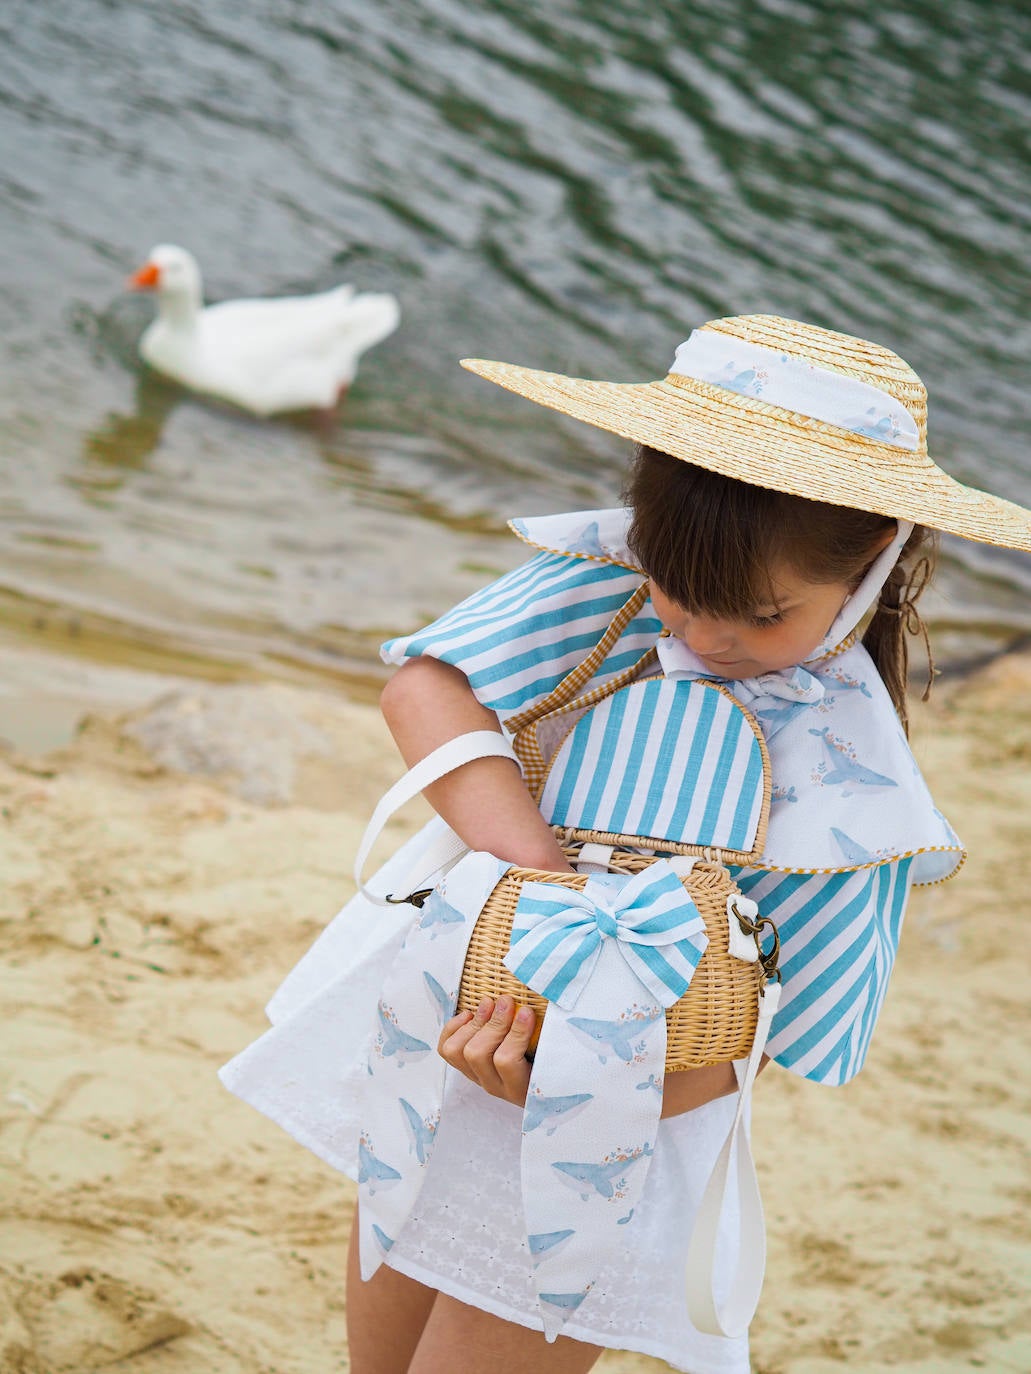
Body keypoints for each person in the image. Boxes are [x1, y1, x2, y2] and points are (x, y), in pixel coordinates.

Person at [220, 313, 1031, 1374]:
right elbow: (425, 687)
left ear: (874, 549)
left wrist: (577, 1079)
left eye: (755, 614)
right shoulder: (607, 586)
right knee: (386, 1289)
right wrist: (540, 884)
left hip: (616, 1119)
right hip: (457, 1008)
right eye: (674, 592)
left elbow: (759, 1044)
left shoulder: (858, 782)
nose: (698, 637)